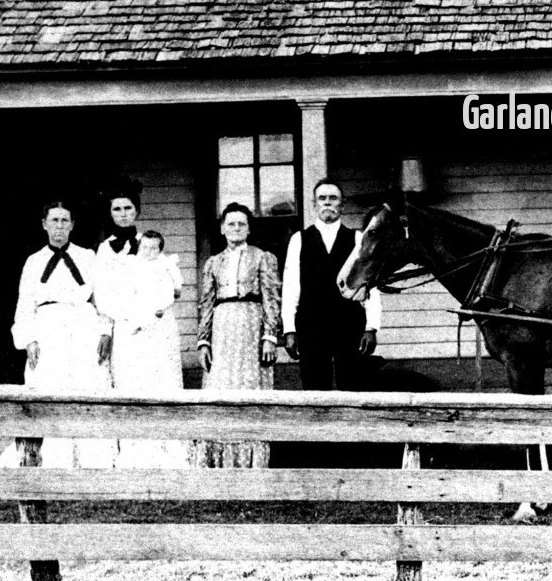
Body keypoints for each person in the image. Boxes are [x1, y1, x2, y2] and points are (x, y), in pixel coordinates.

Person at [6, 200, 115, 468]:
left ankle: (93, 459)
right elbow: (25, 304)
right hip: (48, 329)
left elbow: (102, 297)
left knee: (88, 386)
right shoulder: (34, 261)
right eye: (54, 220)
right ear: (44, 225)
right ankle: (55, 460)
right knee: (50, 386)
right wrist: (29, 339)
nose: (59, 226)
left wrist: (105, 331)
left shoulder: (87, 257)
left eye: (65, 220)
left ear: (72, 225)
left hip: (83, 326)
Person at [96, 189, 191, 468]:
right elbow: (102, 293)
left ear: (136, 211)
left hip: (156, 326)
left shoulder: (150, 243)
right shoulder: (105, 249)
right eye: (117, 209)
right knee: (130, 383)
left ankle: (166, 454)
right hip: (126, 325)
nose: (123, 214)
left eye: (128, 208)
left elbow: (172, 286)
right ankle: (133, 455)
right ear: (110, 214)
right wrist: (109, 328)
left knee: (159, 383)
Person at [195, 202, 280, 468]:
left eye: (242, 223)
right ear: (222, 228)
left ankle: (250, 460)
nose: (236, 228)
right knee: (220, 386)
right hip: (222, 328)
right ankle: (219, 460)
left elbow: (271, 299)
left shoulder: (262, 257)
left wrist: (269, 336)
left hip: (251, 326)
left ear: (249, 229)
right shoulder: (213, 262)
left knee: (249, 388)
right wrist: (203, 341)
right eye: (230, 223)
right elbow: (207, 303)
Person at [280, 179, 380, 391]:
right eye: (322, 198)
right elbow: (290, 287)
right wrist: (289, 330)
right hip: (311, 324)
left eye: (333, 198)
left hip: (349, 324)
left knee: (352, 387)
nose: (327, 202)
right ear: (314, 204)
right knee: (314, 389)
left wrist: (371, 328)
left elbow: (370, 287)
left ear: (342, 205)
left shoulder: (357, 238)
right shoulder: (299, 239)